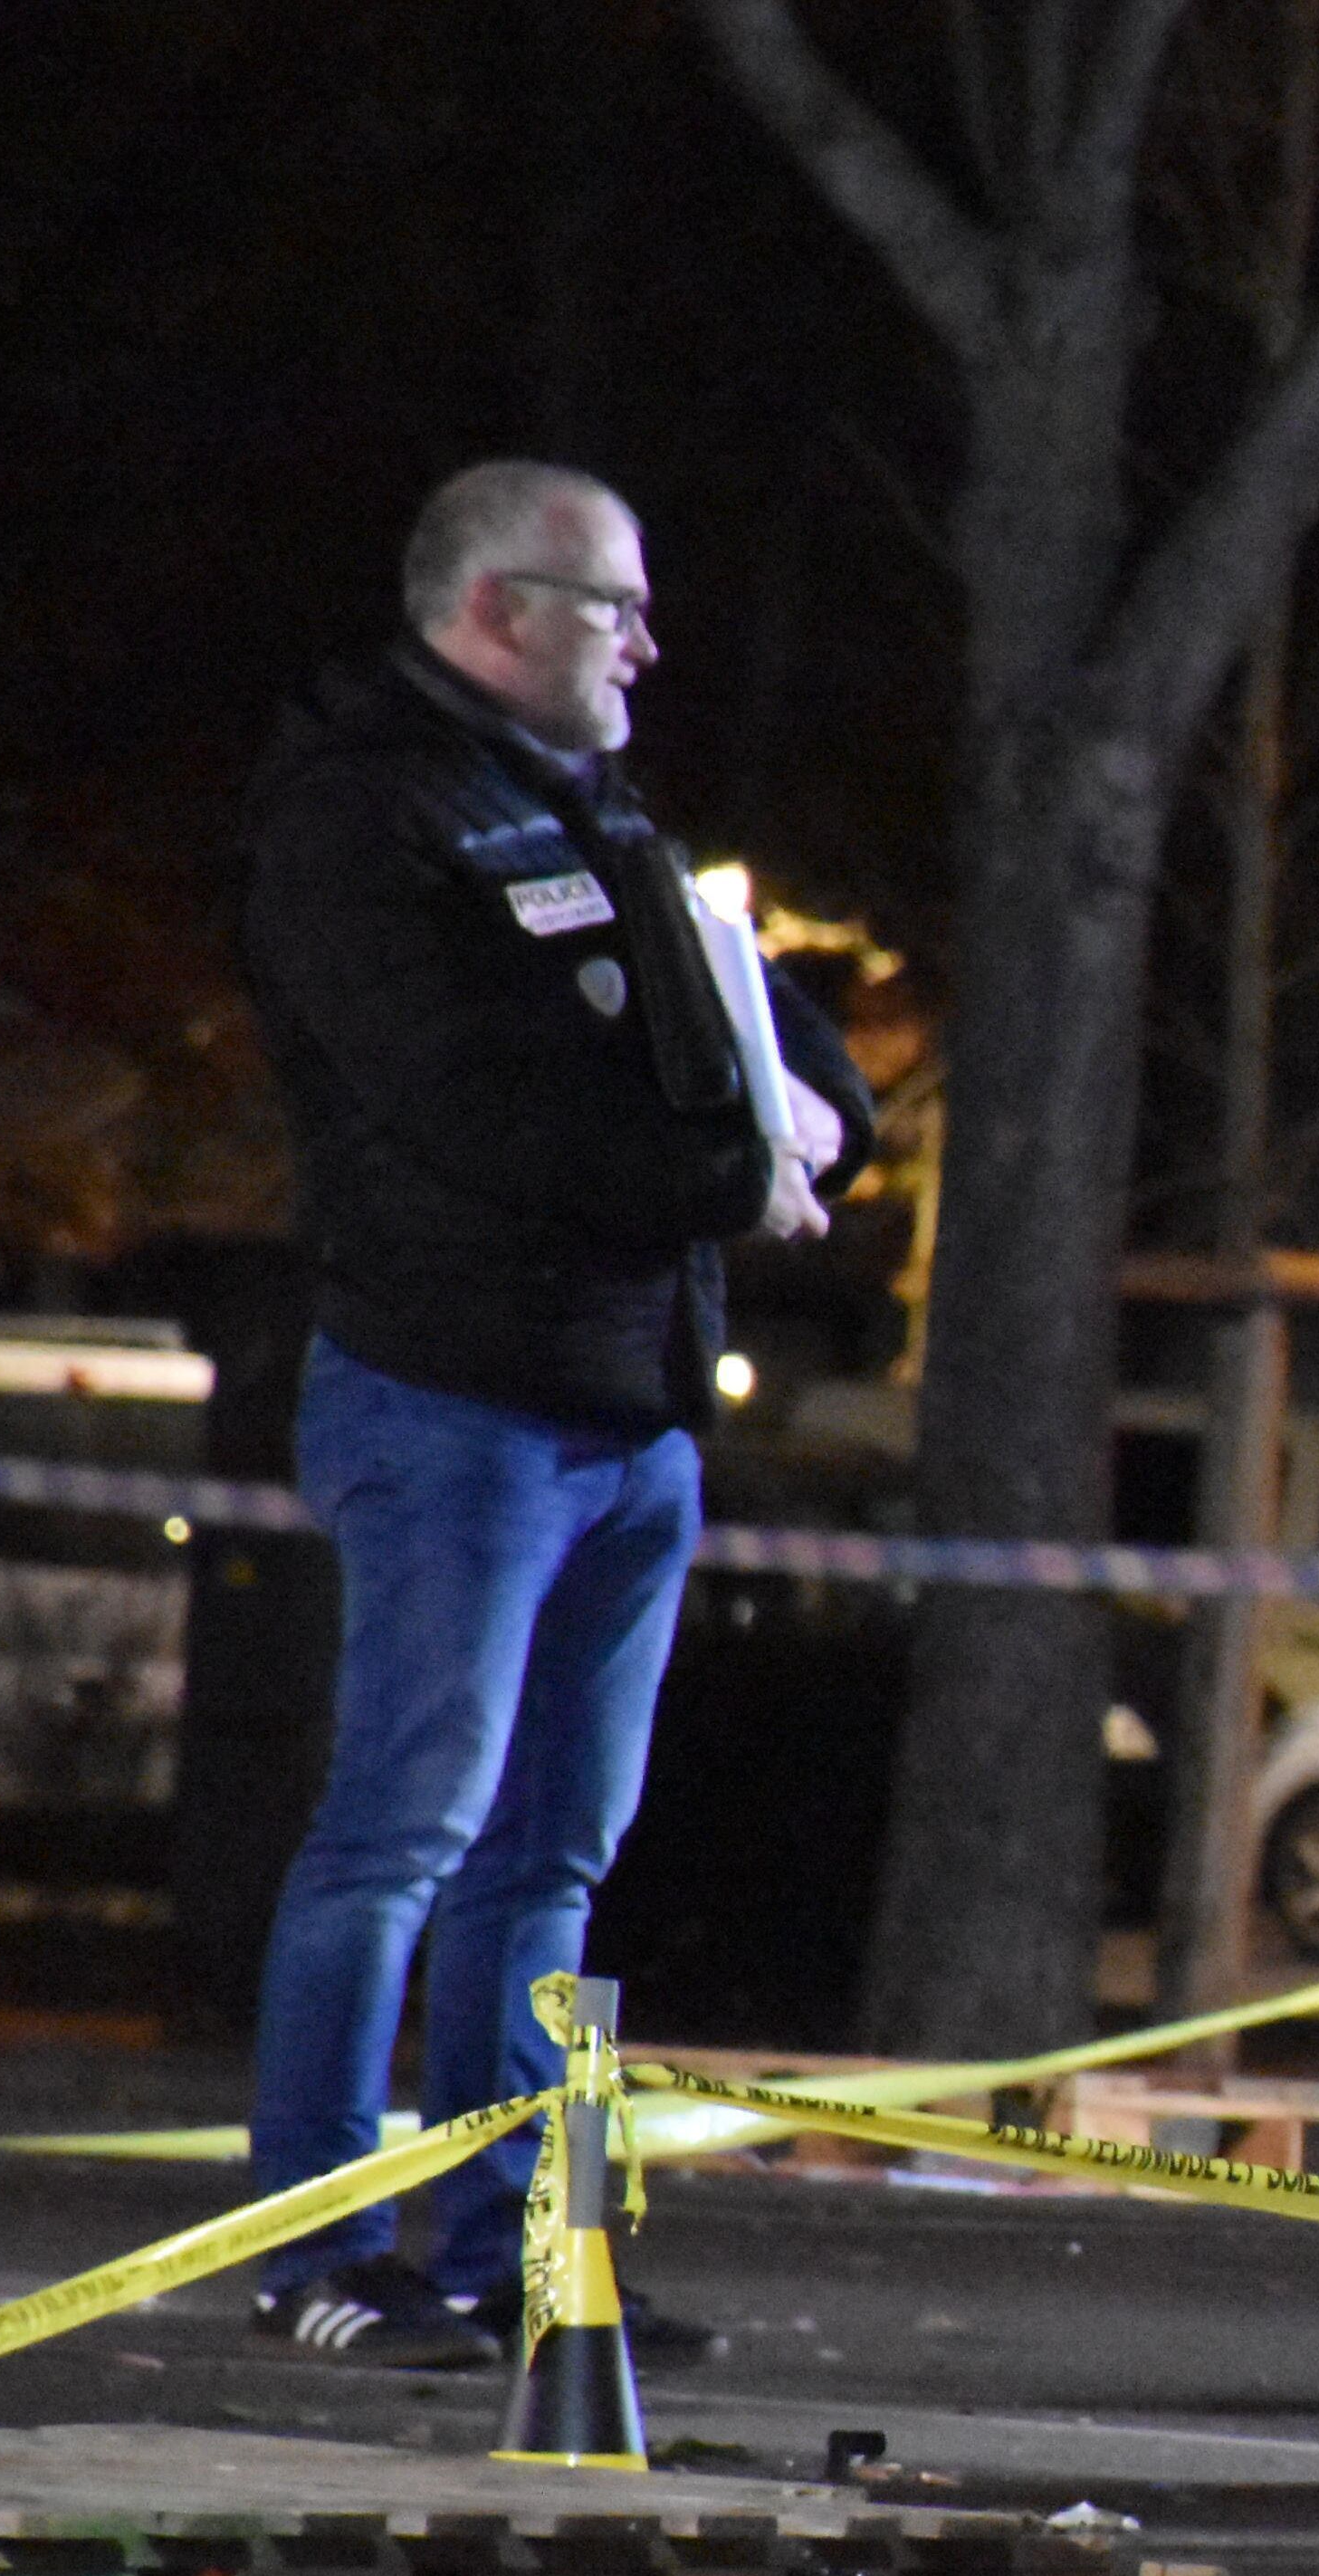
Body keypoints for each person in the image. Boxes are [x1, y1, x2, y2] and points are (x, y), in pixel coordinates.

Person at [237, 459, 872, 2368]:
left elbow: (747, 1014)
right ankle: (321, 2247)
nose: (648, 644)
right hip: (458, 1403)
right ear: (495, 610)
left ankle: (515, 2241)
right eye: (615, 606)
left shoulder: (586, 806)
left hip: (625, 1415)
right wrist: (721, 1169)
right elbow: (474, 1110)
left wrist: (818, 1106)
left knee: (551, 1859)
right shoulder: (366, 819)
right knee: (401, 1833)